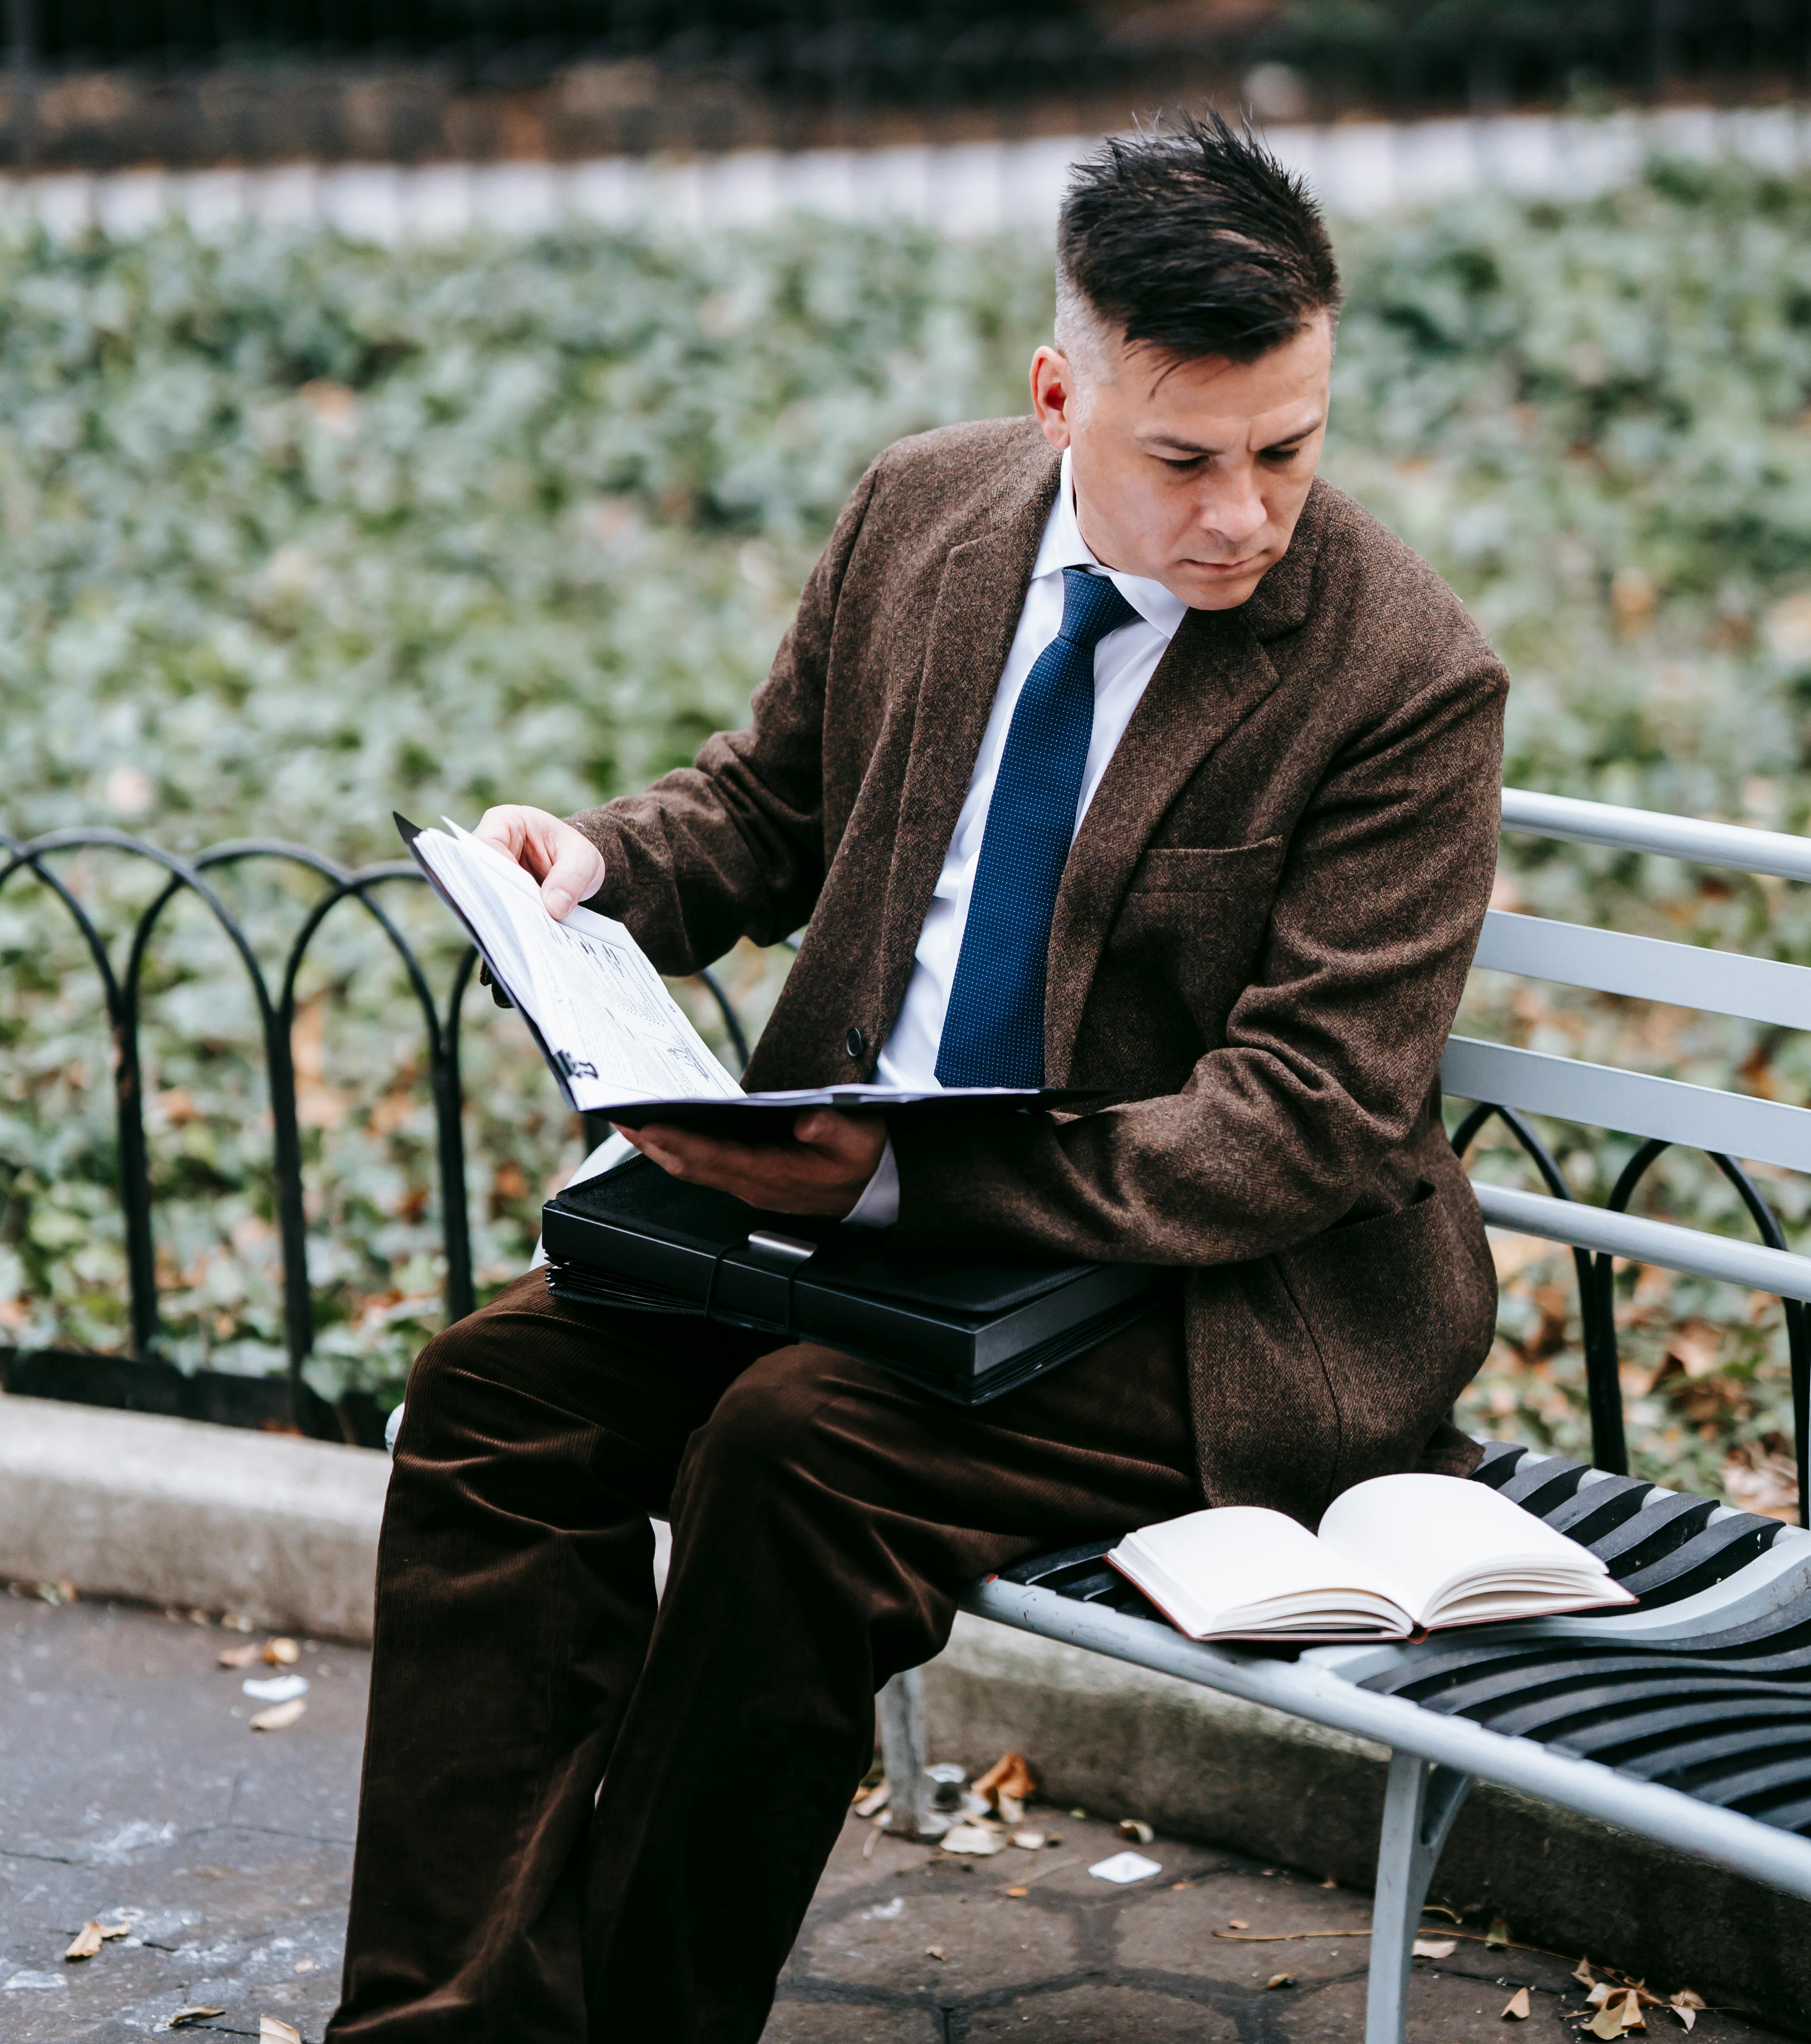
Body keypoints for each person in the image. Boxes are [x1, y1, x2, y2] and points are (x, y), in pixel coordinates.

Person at [327, 113, 1506, 2044]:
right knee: (494, 1399)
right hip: (857, 1233)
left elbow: (1307, 1116)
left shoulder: (1398, 676)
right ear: (1060, 396)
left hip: (1203, 1301)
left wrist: (890, 1186)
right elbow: (770, 802)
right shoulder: (923, 519)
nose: (1246, 516)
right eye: (1184, 458)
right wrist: (602, 870)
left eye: (1288, 451)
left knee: (792, 1449)